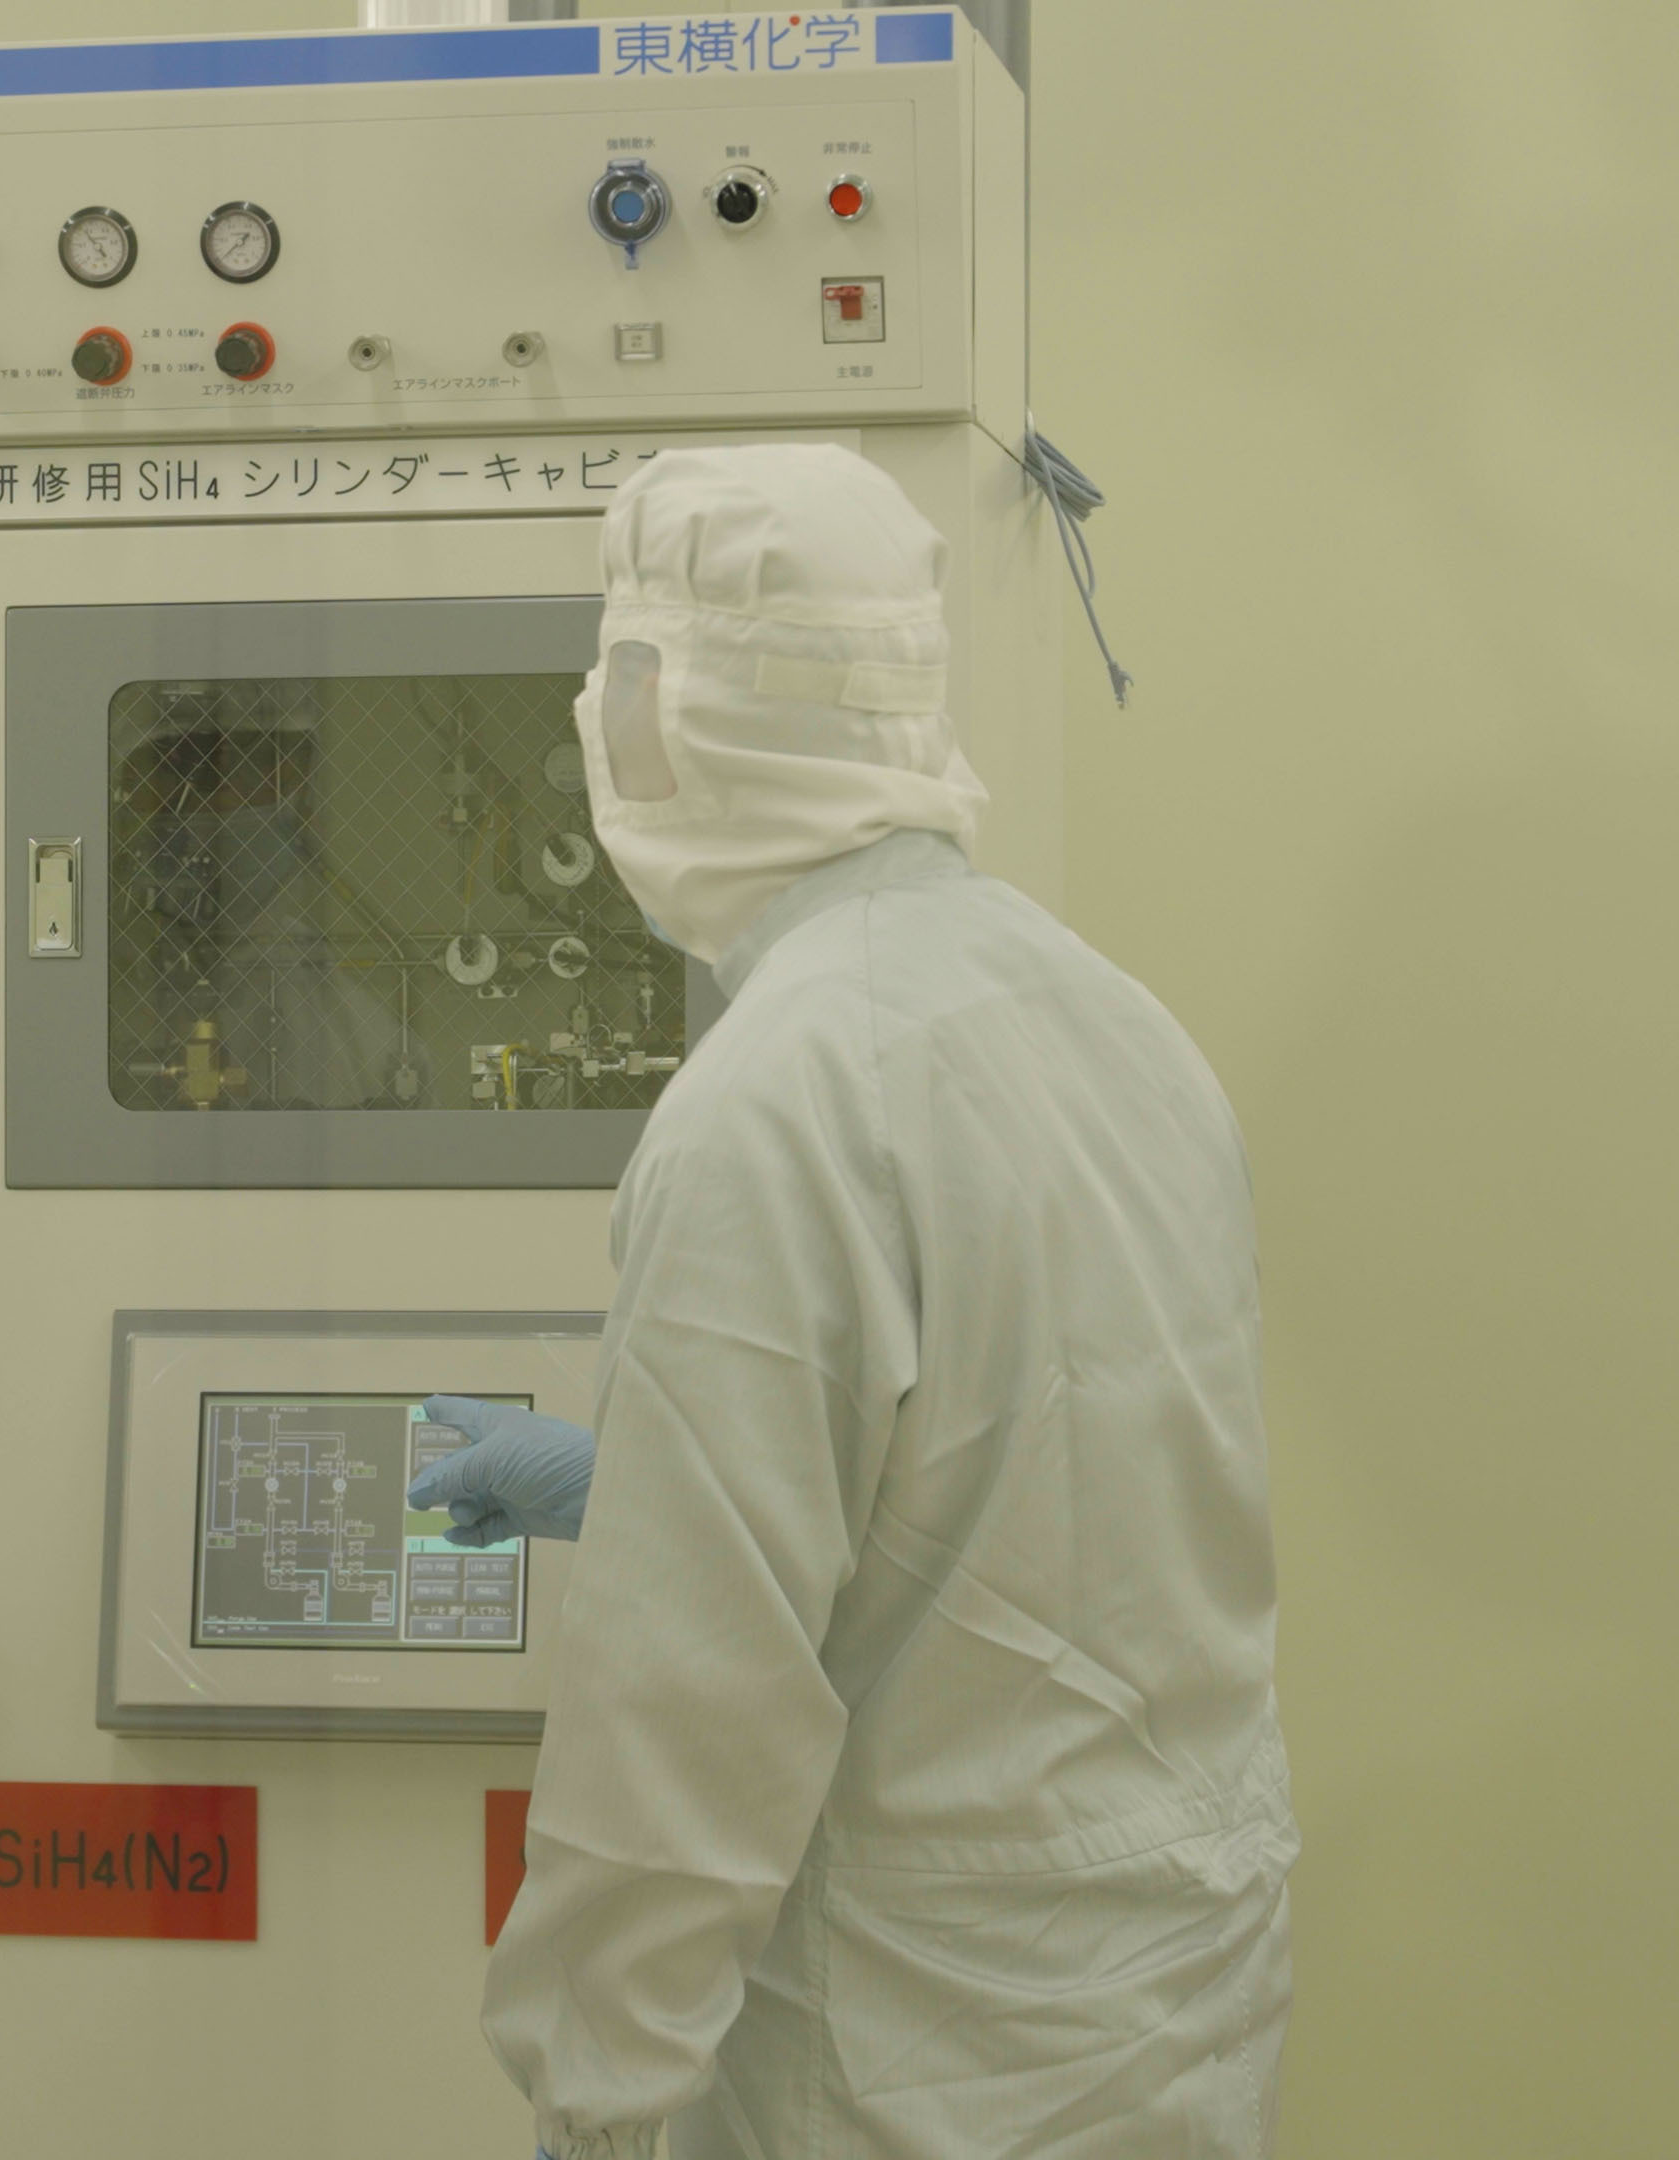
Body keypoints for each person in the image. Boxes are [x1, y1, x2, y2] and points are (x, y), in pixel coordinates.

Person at [411, 445, 1297, 2160]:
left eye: (618, 679)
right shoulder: (1113, 1020)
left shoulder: (778, 1101)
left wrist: (591, 2096)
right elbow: (1063, 1489)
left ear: (660, 711)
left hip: (921, 2053)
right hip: (1170, 2004)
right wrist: (642, 1484)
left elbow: (679, 1725)